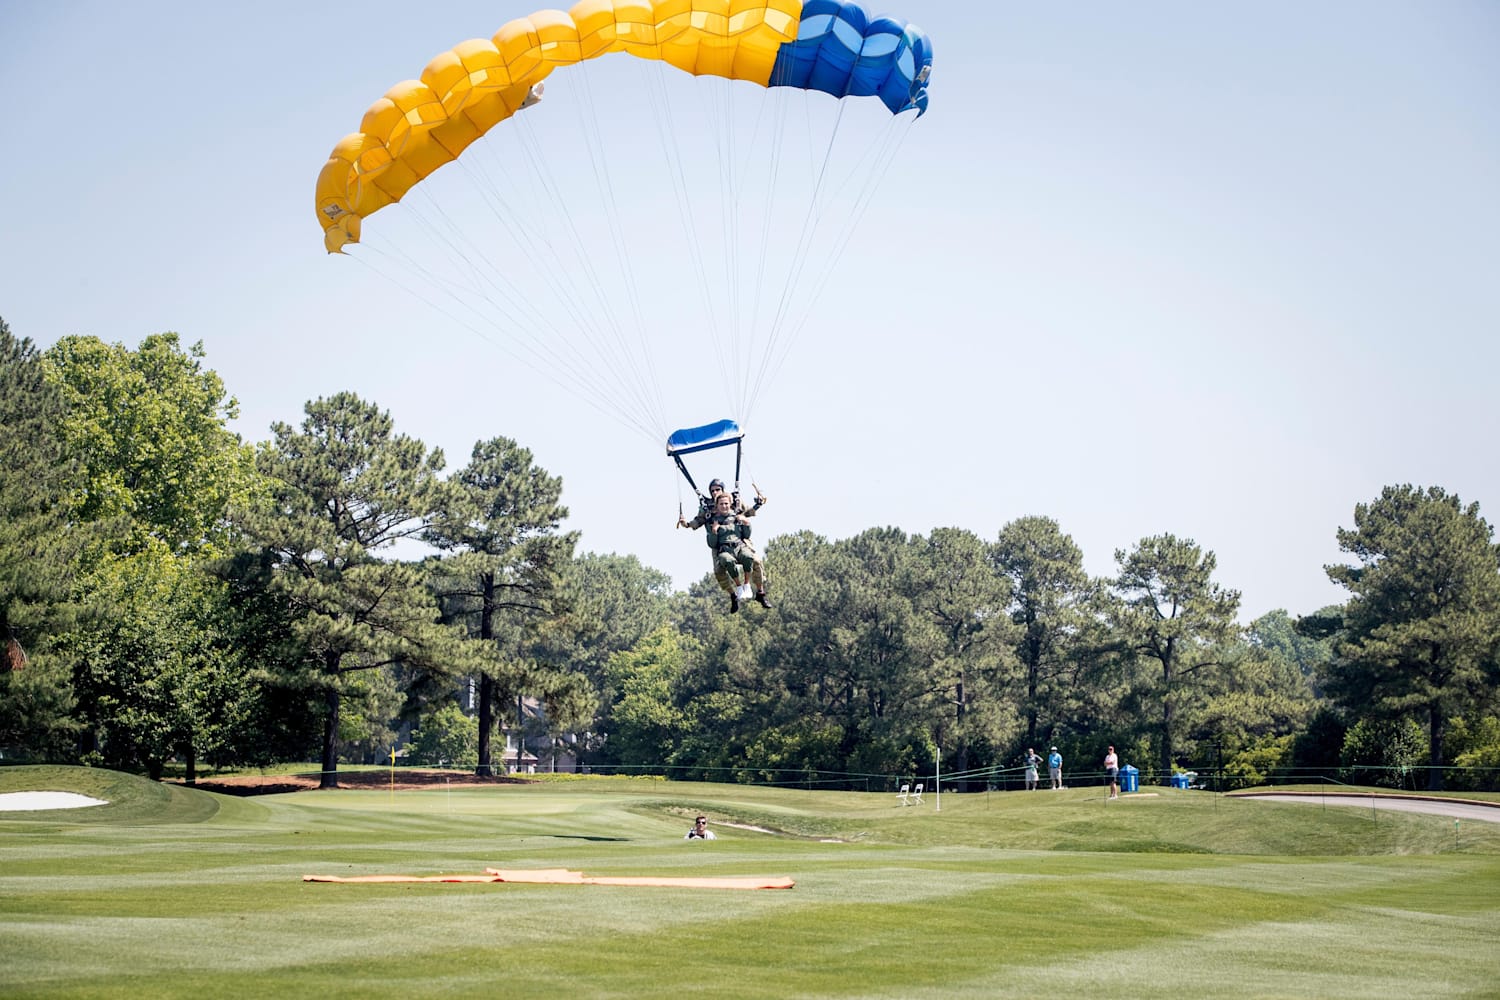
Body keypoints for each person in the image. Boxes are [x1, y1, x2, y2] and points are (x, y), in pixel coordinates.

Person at [679, 479, 771, 611]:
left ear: (723, 490)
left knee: (755, 561)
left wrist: (758, 505)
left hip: (740, 541)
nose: (715, 492)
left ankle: (760, 593)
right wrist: (686, 524)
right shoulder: (706, 508)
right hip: (719, 544)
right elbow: (698, 521)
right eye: (713, 491)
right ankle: (734, 595)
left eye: (718, 490)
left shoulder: (734, 502)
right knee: (719, 571)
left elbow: (747, 513)